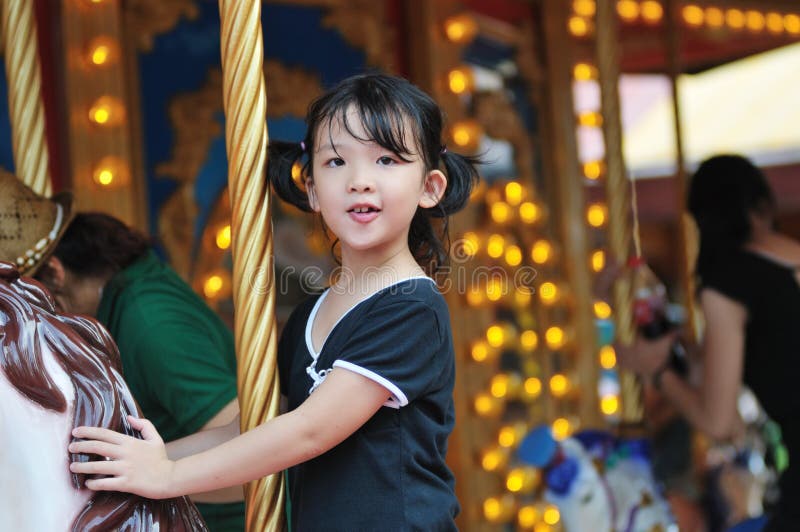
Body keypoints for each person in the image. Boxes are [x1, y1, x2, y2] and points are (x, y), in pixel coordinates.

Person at [67, 72, 479, 530]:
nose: (360, 180)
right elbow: (248, 432)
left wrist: (168, 475)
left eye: (386, 159)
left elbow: (310, 431)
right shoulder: (309, 315)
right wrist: (138, 464)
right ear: (312, 190)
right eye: (336, 162)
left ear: (430, 187)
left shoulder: (410, 309)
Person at [0, 172, 245, 531]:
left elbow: (246, 443)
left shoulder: (152, 324)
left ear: (55, 273)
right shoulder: (122, 308)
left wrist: (126, 473)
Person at [616, 155, 800, 532]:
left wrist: (658, 372)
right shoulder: (790, 256)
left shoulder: (729, 281)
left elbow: (720, 423)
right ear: (761, 205)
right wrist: (695, 354)